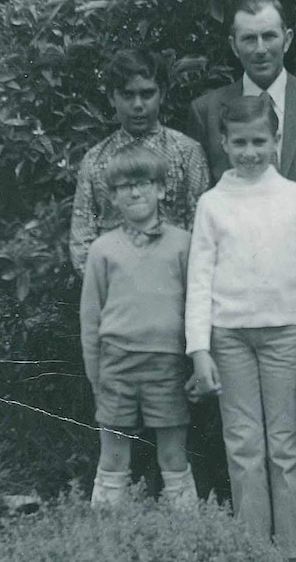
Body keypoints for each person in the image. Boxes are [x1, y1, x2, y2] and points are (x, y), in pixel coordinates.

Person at [184, 95, 296, 561]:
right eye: (239, 142)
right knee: (243, 445)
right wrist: (199, 350)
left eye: (258, 141)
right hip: (229, 337)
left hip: (287, 335)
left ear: (276, 141)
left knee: (286, 445)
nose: (248, 152)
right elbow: (199, 278)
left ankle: (292, 550)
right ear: (223, 143)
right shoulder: (212, 204)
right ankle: (251, 550)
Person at [80, 146, 197, 509]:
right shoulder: (103, 249)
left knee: (173, 458)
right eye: (124, 186)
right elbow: (90, 317)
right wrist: (95, 374)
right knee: (114, 459)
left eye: (143, 182)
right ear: (112, 197)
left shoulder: (183, 243)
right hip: (117, 364)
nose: (134, 192)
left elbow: (197, 309)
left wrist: (196, 364)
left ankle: (190, 537)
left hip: (168, 364)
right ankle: (107, 538)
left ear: (161, 188)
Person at [70, 49, 209, 274]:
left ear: (162, 94)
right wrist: (107, 284)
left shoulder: (187, 152)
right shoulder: (95, 160)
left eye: (147, 94)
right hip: (116, 285)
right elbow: (81, 237)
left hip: (174, 282)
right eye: (127, 95)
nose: (137, 105)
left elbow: (201, 226)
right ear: (111, 97)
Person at [187, 0, 296, 187]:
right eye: (249, 38)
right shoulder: (206, 111)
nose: (261, 49)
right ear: (234, 46)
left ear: (287, 40)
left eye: (269, 36)